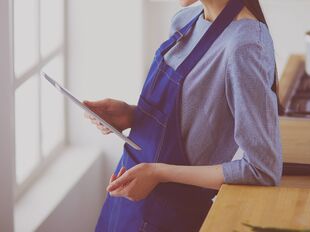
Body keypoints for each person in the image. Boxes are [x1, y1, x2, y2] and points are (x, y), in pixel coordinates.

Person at [85, 0, 282, 231]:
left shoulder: (245, 46)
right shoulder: (186, 20)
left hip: (168, 217)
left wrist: (159, 172)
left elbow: (262, 170)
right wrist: (131, 115)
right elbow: (188, 118)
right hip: (125, 201)